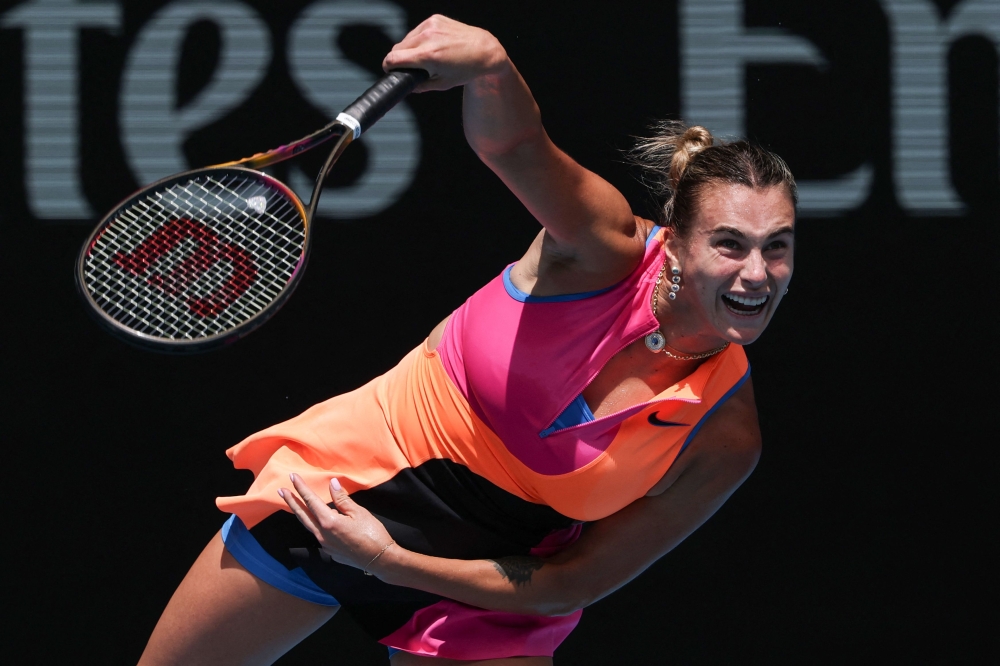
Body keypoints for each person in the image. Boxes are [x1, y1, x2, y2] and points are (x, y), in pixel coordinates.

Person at [139, 14, 796, 666]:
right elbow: (516, 147)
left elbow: (577, 580)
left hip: (493, 587)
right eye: (730, 245)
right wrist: (491, 66)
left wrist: (389, 561)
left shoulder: (725, 434)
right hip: (347, 482)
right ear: (676, 244)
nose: (757, 274)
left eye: (778, 249)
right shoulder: (602, 249)